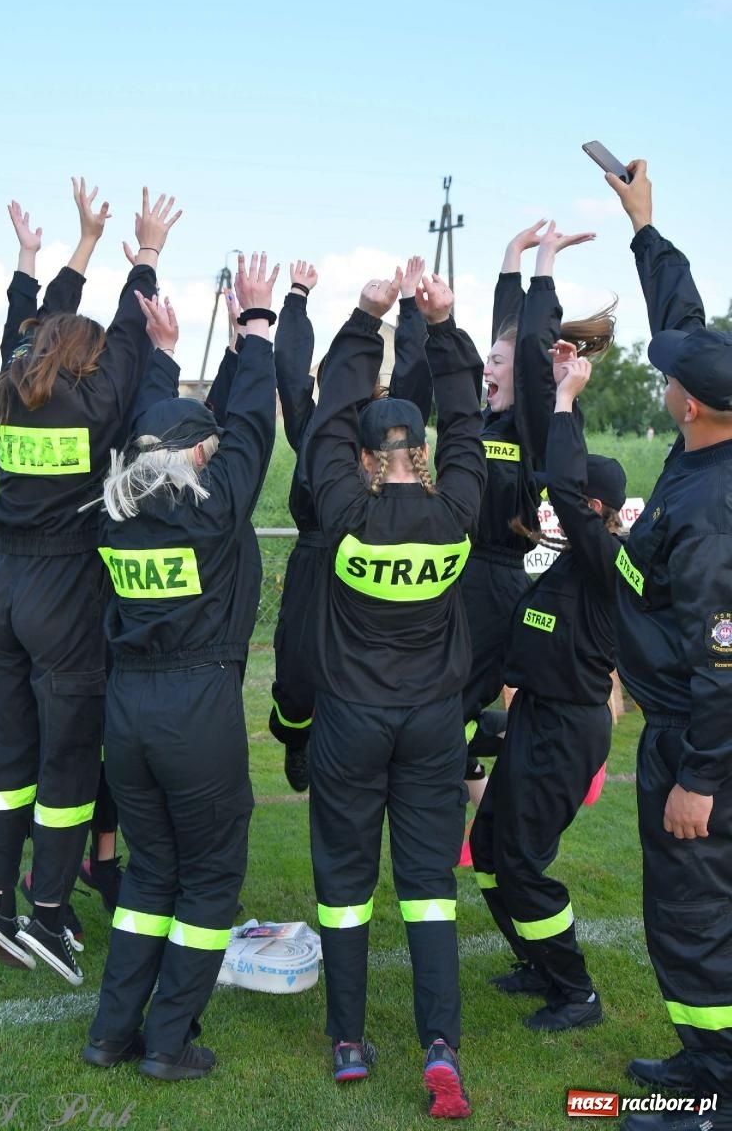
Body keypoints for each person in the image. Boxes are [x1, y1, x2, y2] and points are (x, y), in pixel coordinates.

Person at [0, 184, 181, 986]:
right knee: (64, 765)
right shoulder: (94, 405)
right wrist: (147, 251)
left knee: (7, 755)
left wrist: (69, 252)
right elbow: (130, 332)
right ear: (81, 360)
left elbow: (26, 330)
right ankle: (49, 916)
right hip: (64, 593)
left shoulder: (4, 396)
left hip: (1, 590)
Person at [82, 252, 277, 1082]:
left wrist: (165, 356)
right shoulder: (216, 508)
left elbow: (148, 430)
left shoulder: (118, 510)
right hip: (196, 704)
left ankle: (110, 1033)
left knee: (151, 871)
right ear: (201, 456)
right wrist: (258, 327)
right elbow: (256, 429)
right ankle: (168, 1043)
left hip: (127, 710)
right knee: (207, 881)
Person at [304, 267, 486, 1118]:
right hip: (432, 726)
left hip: (351, 724)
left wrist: (366, 319)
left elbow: (326, 423)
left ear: (372, 459)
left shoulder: (346, 512)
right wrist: (442, 328)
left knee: (345, 887)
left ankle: (348, 1040)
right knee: (427, 886)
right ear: (421, 451)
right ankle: (439, 1047)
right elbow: (472, 425)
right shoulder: (457, 517)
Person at [604, 160, 732, 1131]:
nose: (657, 379)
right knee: (689, 916)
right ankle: (700, 1058)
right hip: (685, 730)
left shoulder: (713, 510)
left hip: (702, 742)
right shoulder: (705, 449)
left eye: (664, 379)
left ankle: (711, 1093)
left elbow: (723, 657)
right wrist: (643, 227)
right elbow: (683, 327)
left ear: (685, 403)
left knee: (695, 921)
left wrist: (699, 775)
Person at [470, 353, 626, 1031]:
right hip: (535, 718)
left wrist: (564, 399)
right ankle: (536, 959)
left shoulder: (606, 564)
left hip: (567, 731)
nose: (552, 504)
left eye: (571, 500)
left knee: (525, 865)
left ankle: (576, 994)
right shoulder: (567, 566)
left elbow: (564, 483)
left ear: (595, 509)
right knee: (489, 845)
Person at [269, 256, 433, 791]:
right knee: (296, 670)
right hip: (317, 561)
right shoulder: (321, 430)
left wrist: (410, 308)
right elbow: (291, 372)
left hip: (373, 558)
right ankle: (298, 737)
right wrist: (295, 298)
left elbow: (415, 371)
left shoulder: (395, 428)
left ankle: (373, 754)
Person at [460, 221, 598, 815]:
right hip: (458, 576)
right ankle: (482, 746)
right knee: (441, 710)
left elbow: (530, 350)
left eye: (495, 361)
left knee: (446, 711)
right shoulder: (488, 420)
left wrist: (543, 270)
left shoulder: (531, 431)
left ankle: (487, 747)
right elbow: (510, 338)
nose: (485, 368)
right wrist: (509, 262)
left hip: (494, 585)